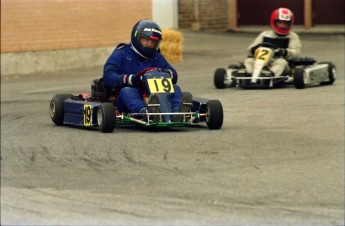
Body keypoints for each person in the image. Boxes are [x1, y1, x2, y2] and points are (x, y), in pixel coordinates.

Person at [103, 19, 191, 122]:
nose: (150, 44)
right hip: (130, 98)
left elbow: (173, 74)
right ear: (137, 37)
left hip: (154, 95)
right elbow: (108, 75)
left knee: (175, 88)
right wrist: (130, 79)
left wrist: (169, 73)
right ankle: (146, 113)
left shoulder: (156, 57)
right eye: (146, 40)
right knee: (127, 91)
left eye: (153, 41)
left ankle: (177, 113)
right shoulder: (121, 53)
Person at [244, 7, 302, 77]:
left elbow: (297, 52)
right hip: (261, 61)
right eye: (280, 22)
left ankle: (269, 75)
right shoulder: (265, 34)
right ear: (274, 22)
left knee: (282, 62)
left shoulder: (292, 36)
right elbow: (250, 49)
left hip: (280, 62)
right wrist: (254, 49)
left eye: (285, 23)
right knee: (249, 60)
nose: (283, 25)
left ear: (290, 24)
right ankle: (249, 74)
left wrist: (284, 52)